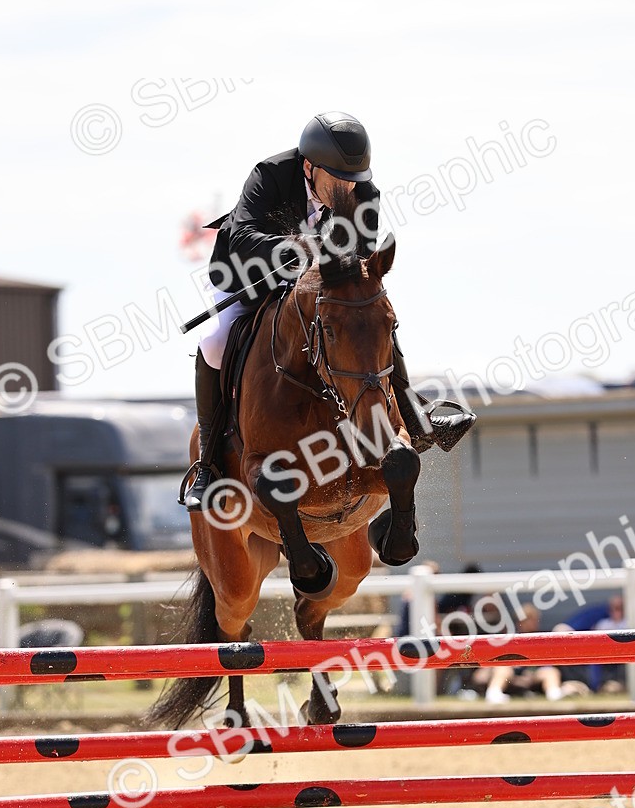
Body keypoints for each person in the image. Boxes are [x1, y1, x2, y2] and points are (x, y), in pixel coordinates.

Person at [184, 111, 476, 510]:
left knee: (374, 322)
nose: (346, 188)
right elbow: (243, 236)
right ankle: (208, 462)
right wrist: (296, 248)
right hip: (246, 275)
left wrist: (330, 273)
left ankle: (413, 414)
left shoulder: (364, 194)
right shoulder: (270, 175)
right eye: (337, 179)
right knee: (215, 342)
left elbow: (359, 264)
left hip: (317, 287)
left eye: (352, 180)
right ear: (308, 166)